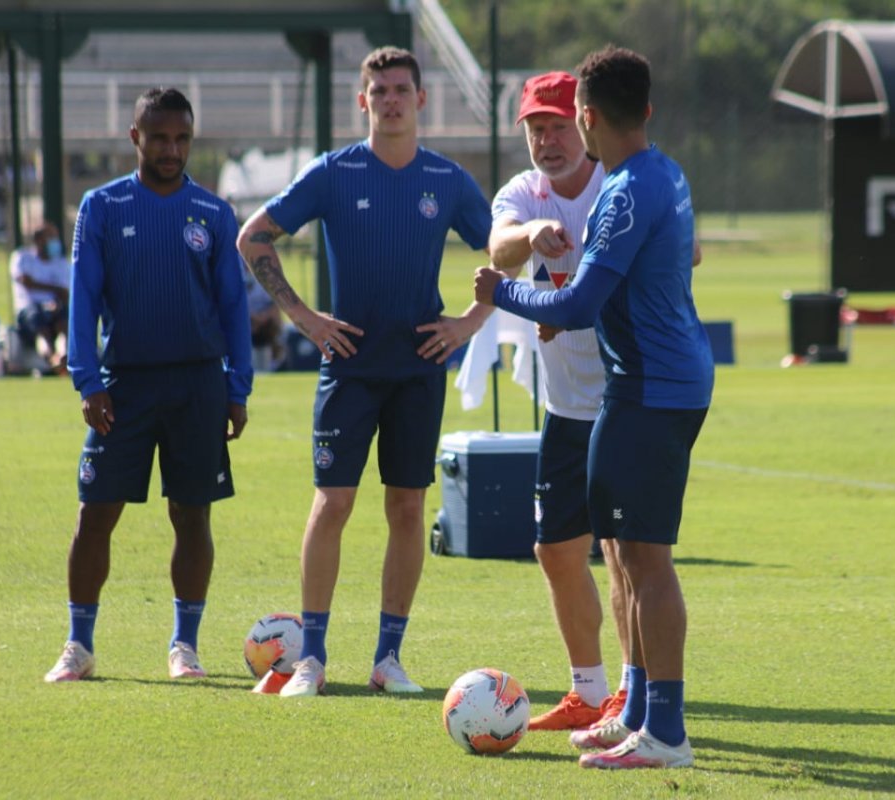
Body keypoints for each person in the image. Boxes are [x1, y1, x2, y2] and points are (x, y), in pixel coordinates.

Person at [474, 46, 713, 769]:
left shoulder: (625, 191)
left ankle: (665, 732)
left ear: (585, 117)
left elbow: (577, 304)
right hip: (664, 380)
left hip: (647, 388)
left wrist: (502, 292)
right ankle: (636, 713)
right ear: (645, 109)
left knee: (645, 563)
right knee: (628, 557)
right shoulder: (663, 172)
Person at [236, 46, 491, 698]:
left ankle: (388, 658)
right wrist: (302, 316)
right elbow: (253, 237)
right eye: (379, 91)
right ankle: (312, 659)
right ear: (363, 101)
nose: (392, 100)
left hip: (418, 368)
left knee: (408, 508)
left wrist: (467, 323)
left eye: (402, 89)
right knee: (334, 503)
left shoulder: (448, 180)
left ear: (422, 99)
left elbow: (504, 250)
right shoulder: (334, 173)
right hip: (347, 367)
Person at [44, 87, 253, 683]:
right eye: (159, 137)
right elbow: (81, 298)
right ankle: (78, 645)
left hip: (197, 386)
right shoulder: (102, 207)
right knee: (94, 515)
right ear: (135, 137)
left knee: (192, 517)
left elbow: (233, 307)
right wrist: (87, 379)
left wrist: (238, 388)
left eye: (182, 138)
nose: (171, 148)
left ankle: (184, 646)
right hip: (124, 386)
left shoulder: (213, 213)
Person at [488, 71, 632, 733]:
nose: (546, 139)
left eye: (556, 124)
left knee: (624, 551)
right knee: (555, 550)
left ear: (584, 122)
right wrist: (534, 232)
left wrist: (574, 309)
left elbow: (676, 259)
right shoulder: (524, 192)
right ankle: (587, 691)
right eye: (534, 128)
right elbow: (498, 249)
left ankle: (634, 697)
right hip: (567, 406)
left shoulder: (619, 185)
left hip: (628, 402)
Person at [10, 222, 71, 373]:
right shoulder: (22, 257)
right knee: (38, 321)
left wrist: (54, 301)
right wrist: (53, 289)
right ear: (38, 240)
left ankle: (63, 355)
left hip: (55, 307)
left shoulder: (62, 263)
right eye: (51, 237)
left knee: (63, 318)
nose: (55, 241)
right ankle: (52, 358)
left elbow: (65, 292)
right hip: (29, 311)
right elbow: (26, 281)